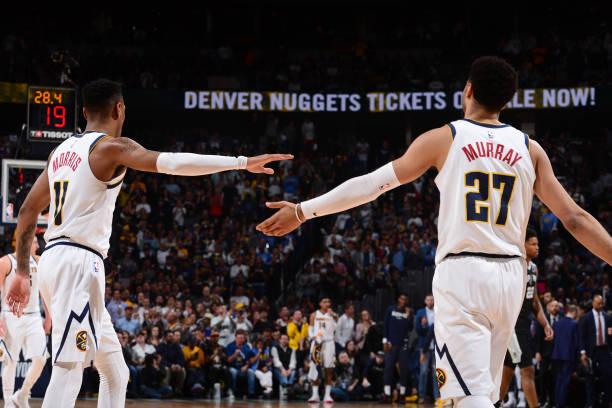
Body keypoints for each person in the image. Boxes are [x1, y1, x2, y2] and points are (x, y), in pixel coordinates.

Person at [257, 56, 612, 407]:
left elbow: (373, 184)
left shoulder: (446, 137)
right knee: (480, 394)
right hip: (511, 276)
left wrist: (302, 211)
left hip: (464, 272)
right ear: (506, 101)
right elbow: (575, 218)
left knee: (468, 396)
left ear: (468, 90)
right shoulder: (530, 149)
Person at [5, 78, 292, 407]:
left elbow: (27, 211)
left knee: (116, 372)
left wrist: (22, 271)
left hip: (54, 260)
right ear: (119, 109)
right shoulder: (112, 147)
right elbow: (173, 163)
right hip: (78, 263)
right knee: (69, 368)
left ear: (84, 112)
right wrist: (241, 162)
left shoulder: (59, 152)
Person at [499, 229, 554, 408]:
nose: (537, 247)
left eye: (538, 244)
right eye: (533, 244)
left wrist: (545, 324)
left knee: (507, 370)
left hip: (524, 321)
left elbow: (535, 300)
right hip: (513, 323)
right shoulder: (514, 266)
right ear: (523, 245)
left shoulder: (534, 268)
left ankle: (494, 403)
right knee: (527, 370)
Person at [0, 237, 51, 408]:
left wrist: (49, 317)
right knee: (10, 360)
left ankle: (22, 394)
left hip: (34, 316)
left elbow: (45, 291)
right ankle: (8, 401)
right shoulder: (6, 262)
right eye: (33, 242)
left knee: (41, 359)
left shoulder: (40, 261)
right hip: (11, 315)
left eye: (36, 242)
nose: (36, 245)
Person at [578, 294, 612, 407]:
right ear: (593, 303)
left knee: (608, 376)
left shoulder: (608, 317)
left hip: (605, 351)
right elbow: (581, 336)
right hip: (591, 352)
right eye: (598, 303)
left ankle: (607, 402)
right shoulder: (585, 318)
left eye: (602, 303)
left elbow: (610, 333)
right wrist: (583, 352)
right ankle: (590, 403)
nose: (601, 305)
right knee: (590, 378)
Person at [381, 293, 413, 403]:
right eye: (401, 299)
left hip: (403, 345)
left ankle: (402, 395)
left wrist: (408, 316)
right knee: (388, 369)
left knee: (403, 370)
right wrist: (385, 340)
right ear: (398, 299)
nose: (403, 301)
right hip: (391, 344)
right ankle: (387, 394)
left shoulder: (409, 311)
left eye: (405, 299)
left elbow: (410, 328)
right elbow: (386, 325)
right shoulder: (391, 309)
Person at [308, 297, 337, 403]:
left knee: (329, 369)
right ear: (320, 303)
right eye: (325, 302)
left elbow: (335, 329)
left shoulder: (333, 315)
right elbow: (310, 329)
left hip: (329, 343)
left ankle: (327, 395)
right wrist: (314, 337)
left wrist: (333, 316)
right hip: (317, 343)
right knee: (314, 369)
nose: (327, 303)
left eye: (329, 302)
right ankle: (315, 395)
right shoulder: (314, 315)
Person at [551, 305, 579, 408]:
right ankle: (561, 404)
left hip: (556, 355)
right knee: (565, 381)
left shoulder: (556, 323)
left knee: (558, 380)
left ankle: (556, 402)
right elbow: (576, 343)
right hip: (568, 356)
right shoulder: (575, 324)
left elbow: (552, 341)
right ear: (574, 312)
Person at [415, 294, 439, 403]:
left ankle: (437, 396)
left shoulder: (438, 312)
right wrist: (424, 326)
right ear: (425, 301)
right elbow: (417, 329)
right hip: (424, 346)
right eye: (428, 300)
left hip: (436, 346)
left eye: (432, 300)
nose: (430, 301)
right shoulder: (420, 312)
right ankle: (421, 395)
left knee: (436, 372)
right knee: (423, 371)